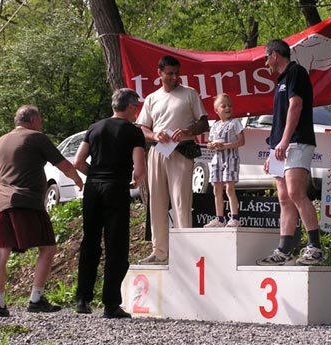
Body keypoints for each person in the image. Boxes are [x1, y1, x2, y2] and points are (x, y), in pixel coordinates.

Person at [0, 105, 83, 317]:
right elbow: (63, 165)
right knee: (48, 248)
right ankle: (36, 299)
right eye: (40, 119)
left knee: (1, 251)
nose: (41, 124)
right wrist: (78, 180)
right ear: (32, 120)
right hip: (29, 201)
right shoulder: (36, 138)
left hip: (3, 205)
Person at [74, 88, 146, 318]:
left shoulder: (94, 127)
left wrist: (94, 174)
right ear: (131, 107)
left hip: (93, 187)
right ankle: (111, 303)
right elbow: (140, 169)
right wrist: (134, 182)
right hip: (116, 187)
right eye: (137, 107)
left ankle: (83, 298)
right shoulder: (134, 132)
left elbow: (78, 161)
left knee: (90, 241)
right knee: (116, 244)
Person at [256, 39, 325, 266]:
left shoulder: (296, 72)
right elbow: (279, 118)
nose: (266, 63)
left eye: (266, 58)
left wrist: (285, 141)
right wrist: (272, 148)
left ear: (275, 55)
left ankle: (315, 247)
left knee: (296, 193)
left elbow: (296, 106)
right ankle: (284, 250)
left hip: (297, 142)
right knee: (284, 198)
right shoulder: (280, 81)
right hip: (280, 146)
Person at [136, 55, 209, 265]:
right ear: (159, 73)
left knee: (180, 201)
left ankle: (184, 253)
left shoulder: (190, 93)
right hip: (158, 151)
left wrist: (188, 130)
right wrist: (154, 135)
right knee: (157, 201)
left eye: (177, 73)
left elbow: (204, 123)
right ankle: (159, 252)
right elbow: (143, 128)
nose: (174, 77)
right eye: (169, 73)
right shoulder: (151, 98)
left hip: (182, 150)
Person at [204, 93, 245, 228]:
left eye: (230, 106)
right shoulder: (215, 125)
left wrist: (225, 146)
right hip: (217, 160)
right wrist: (211, 146)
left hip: (230, 158)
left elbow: (241, 141)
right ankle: (220, 218)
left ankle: (235, 217)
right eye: (224, 106)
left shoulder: (235, 123)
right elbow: (210, 143)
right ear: (216, 110)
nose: (228, 108)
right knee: (217, 188)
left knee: (230, 187)